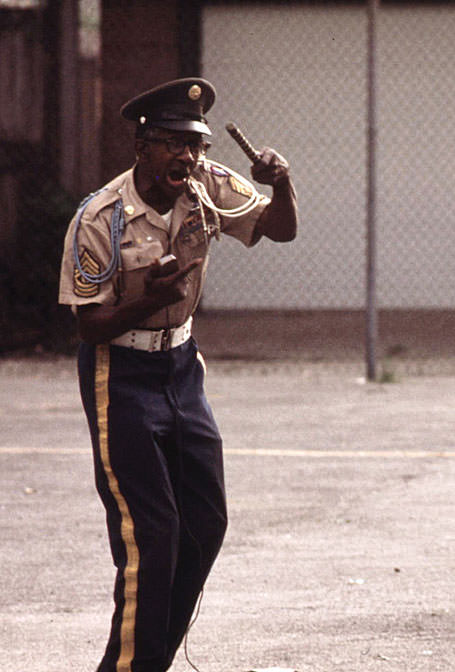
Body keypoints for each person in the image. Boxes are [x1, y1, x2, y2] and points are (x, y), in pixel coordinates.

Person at [57, 78, 298, 672]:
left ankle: (146, 659)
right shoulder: (100, 217)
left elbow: (279, 228)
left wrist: (282, 183)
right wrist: (148, 300)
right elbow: (89, 327)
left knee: (206, 521)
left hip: (181, 368)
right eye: (170, 144)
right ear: (142, 148)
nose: (185, 157)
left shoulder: (207, 187)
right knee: (152, 535)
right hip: (122, 373)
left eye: (194, 145)